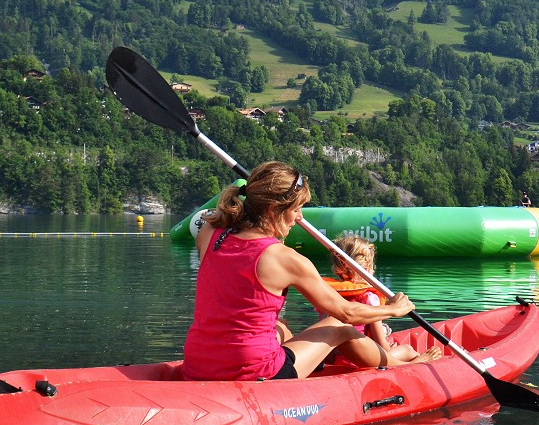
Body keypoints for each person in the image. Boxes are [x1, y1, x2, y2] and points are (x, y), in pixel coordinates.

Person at [182, 161, 441, 381]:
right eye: (296, 209)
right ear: (273, 210)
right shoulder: (285, 259)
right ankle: (406, 368)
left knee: (280, 327)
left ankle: (310, 365)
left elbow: (216, 220)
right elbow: (347, 313)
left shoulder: (210, 235)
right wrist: (393, 309)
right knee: (339, 326)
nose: (299, 218)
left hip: (197, 362)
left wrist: (252, 199)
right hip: (252, 371)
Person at [325, 234, 424, 363]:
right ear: (367, 268)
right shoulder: (370, 299)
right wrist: (388, 347)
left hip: (336, 359)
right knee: (408, 349)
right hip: (361, 362)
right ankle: (416, 363)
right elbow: (383, 348)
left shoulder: (329, 296)